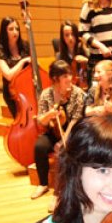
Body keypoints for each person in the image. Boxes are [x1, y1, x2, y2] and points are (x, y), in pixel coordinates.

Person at [30, 60, 85, 200]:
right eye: (65, 76)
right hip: (53, 130)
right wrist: (50, 114)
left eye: (70, 75)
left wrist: (64, 139)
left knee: (62, 150)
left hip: (72, 132)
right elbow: (41, 120)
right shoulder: (46, 94)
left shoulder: (77, 93)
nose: (69, 79)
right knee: (39, 146)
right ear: (55, 79)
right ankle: (43, 184)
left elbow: (76, 119)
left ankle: (58, 193)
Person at [0, 16, 31, 118]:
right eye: (11, 29)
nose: (15, 32)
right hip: (12, 94)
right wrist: (22, 61)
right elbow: (8, 75)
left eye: (17, 29)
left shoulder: (25, 46)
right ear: (4, 31)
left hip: (27, 89)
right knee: (20, 119)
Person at [57, 20, 89, 88]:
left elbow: (94, 69)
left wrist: (87, 61)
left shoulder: (85, 50)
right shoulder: (59, 57)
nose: (70, 38)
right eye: (67, 35)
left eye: (73, 34)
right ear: (63, 38)